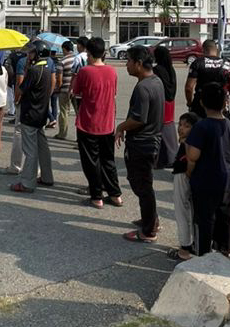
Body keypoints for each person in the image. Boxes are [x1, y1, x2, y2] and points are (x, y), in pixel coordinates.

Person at [116, 44, 165, 241]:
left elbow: (138, 119)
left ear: (138, 63)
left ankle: (148, 230)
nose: (126, 64)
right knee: (142, 184)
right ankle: (151, 219)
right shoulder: (156, 81)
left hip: (142, 143)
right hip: (151, 141)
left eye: (128, 60)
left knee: (142, 186)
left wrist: (120, 127)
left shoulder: (143, 88)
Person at [185, 84, 230, 257]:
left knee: (204, 218)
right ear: (224, 103)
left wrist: (189, 171)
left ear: (201, 102)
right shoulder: (228, 124)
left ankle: (203, 252)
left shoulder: (202, 126)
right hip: (227, 178)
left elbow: (193, 156)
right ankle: (224, 249)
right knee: (225, 217)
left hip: (206, 179)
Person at [73, 36, 122, 208]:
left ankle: (96, 196)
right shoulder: (112, 71)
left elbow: (76, 92)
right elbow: (114, 93)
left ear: (90, 53)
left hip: (88, 123)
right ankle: (115, 194)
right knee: (108, 160)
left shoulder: (85, 71)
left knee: (91, 161)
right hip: (107, 123)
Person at [11, 42, 54, 192]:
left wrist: (26, 70)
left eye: (31, 52)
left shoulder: (34, 70)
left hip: (30, 113)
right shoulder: (47, 69)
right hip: (41, 113)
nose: (28, 55)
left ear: (38, 54)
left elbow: (21, 88)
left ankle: (27, 183)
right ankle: (47, 177)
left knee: (30, 150)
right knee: (43, 147)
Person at [170, 112, 200, 262]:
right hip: (184, 175)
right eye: (180, 124)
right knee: (188, 210)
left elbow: (190, 160)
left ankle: (184, 247)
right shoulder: (188, 141)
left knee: (181, 209)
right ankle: (191, 242)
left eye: (187, 126)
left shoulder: (189, 142)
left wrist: (188, 173)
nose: (181, 128)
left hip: (182, 175)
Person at [185, 40, 230, 118]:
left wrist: (189, 103)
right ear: (217, 50)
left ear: (203, 50)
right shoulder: (227, 64)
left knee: (200, 125)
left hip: (201, 104)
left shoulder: (197, 63)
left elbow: (189, 88)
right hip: (221, 104)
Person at [154, 43, 179, 168]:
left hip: (161, 102)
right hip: (171, 101)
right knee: (169, 129)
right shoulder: (171, 69)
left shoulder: (157, 70)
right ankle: (172, 156)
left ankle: (162, 159)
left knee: (159, 131)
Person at [56, 41, 77, 139]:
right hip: (76, 90)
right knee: (79, 113)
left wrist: (58, 88)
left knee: (64, 112)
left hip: (64, 90)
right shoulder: (77, 59)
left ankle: (62, 134)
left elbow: (59, 79)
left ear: (64, 49)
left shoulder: (62, 61)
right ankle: (80, 136)